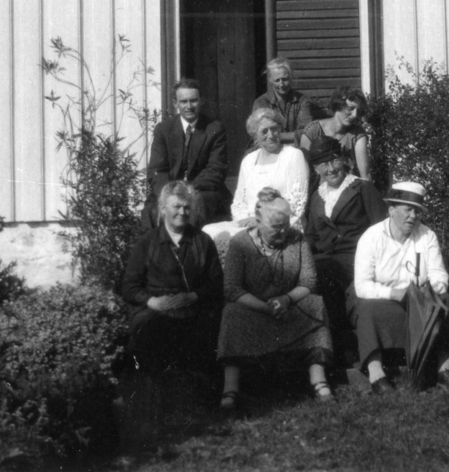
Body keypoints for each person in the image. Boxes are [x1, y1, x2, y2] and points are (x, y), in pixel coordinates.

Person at [217, 189, 334, 409]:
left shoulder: (297, 240)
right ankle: (230, 391)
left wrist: (287, 300)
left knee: (316, 304)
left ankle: (319, 381)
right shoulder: (240, 243)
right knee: (231, 312)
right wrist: (264, 307)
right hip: (254, 308)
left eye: (285, 225)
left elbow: (308, 282)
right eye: (275, 227)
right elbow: (232, 289)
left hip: (290, 306)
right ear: (258, 221)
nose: (282, 232)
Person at [348, 181, 449, 394]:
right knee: (366, 309)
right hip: (386, 300)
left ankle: (445, 371)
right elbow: (362, 286)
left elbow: (440, 276)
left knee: (448, 301)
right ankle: (377, 375)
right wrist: (393, 293)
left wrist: (426, 290)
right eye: (407, 210)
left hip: (419, 301)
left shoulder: (427, 235)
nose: (413, 216)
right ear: (391, 210)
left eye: (417, 211)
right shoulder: (372, 237)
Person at [120, 181, 224, 375]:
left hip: (193, 309)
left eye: (187, 207)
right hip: (156, 311)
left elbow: (217, 283)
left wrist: (193, 296)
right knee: (144, 327)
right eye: (176, 206)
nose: (182, 212)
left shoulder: (203, 241)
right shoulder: (147, 242)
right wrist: (152, 302)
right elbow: (129, 287)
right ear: (163, 209)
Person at [304, 136, 387, 365]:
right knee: (313, 273)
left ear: (343, 160)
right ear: (315, 168)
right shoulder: (316, 196)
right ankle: (329, 349)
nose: (330, 169)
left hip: (357, 258)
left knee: (323, 273)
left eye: (334, 161)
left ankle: (345, 346)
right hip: (326, 260)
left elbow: (382, 227)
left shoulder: (362, 188)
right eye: (323, 164)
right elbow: (311, 235)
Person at [204, 107, 310, 259]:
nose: (271, 135)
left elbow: (297, 201)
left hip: (282, 224)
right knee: (208, 231)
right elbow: (239, 202)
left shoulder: (293, 155)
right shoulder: (248, 161)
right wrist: (243, 221)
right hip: (250, 224)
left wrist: (262, 220)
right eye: (264, 131)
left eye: (274, 129)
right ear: (255, 135)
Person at [144, 79, 230, 229]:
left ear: (201, 101)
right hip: (169, 190)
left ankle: (195, 250)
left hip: (202, 191)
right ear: (175, 103)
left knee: (198, 208)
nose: (189, 106)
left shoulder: (214, 128)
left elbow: (216, 170)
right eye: (183, 102)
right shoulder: (163, 129)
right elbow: (157, 170)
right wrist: (171, 193)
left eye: (193, 101)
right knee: (151, 210)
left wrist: (187, 190)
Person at [299, 86, 371, 180]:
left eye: (358, 111)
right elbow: (302, 169)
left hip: (347, 188)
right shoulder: (313, 130)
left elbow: (365, 174)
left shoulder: (357, 135)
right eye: (350, 108)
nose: (355, 115)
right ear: (339, 105)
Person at [252, 57, 315, 145]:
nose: (281, 84)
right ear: (270, 80)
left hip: (295, 150)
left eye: (285, 79)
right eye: (277, 80)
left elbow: (307, 132)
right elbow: (261, 136)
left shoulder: (302, 100)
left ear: (291, 78)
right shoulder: (261, 103)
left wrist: (276, 136)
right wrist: (292, 136)